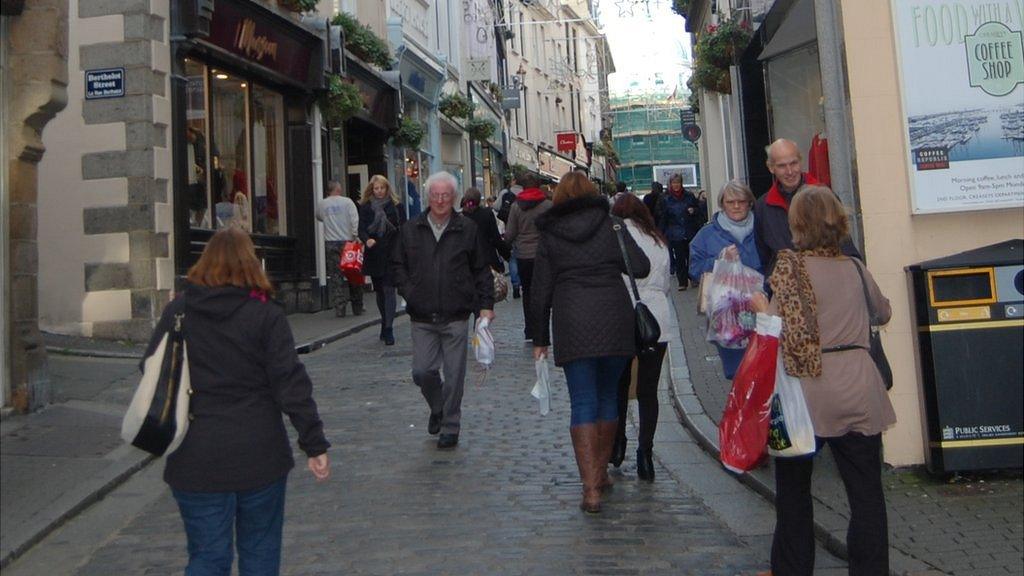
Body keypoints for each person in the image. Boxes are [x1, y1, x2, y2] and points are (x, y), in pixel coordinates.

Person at [143, 228, 330, 575]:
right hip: (258, 452)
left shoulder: (180, 311)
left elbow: (151, 368)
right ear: (252, 263)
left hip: (196, 451)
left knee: (207, 557)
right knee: (260, 551)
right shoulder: (265, 313)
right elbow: (290, 383)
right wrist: (314, 444)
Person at [749, 186, 894, 576]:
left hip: (806, 392)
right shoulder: (855, 267)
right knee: (865, 492)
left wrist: (761, 308)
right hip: (859, 387)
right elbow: (882, 312)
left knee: (794, 491)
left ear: (797, 225)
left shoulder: (792, 271)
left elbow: (774, 330)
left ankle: (793, 568)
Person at [530, 172, 650, 513]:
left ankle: (590, 490)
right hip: (614, 317)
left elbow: (540, 292)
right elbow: (639, 266)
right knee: (609, 397)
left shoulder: (551, 233)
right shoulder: (611, 224)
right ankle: (600, 475)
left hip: (572, 318)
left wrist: (540, 338)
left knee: (582, 400)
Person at [390, 171, 496, 450]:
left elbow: (481, 270)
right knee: (422, 371)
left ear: (454, 198)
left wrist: (485, 305)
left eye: (445, 195)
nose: (439, 200)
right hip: (422, 314)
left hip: (456, 313)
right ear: (428, 197)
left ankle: (450, 424)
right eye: (435, 195)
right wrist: (409, 291)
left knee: (454, 375)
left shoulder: (467, 229)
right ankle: (438, 407)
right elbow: (397, 265)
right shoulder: (411, 229)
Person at [609, 193, 671, 482]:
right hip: (657, 318)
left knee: (620, 385)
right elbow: (666, 283)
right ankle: (646, 454)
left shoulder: (617, 236)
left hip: (624, 315)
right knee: (648, 391)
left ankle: (618, 442)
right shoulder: (658, 240)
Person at [688, 180, 764, 379]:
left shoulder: (764, 229)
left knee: (765, 369)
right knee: (738, 373)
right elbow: (695, 269)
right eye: (731, 202)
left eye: (742, 201)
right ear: (722, 204)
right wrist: (718, 260)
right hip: (727, 318)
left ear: (750, 203)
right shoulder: (706, 235)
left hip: (764, 310)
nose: (737, 206)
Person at [755, 138, 859, 274]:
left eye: (794, 163)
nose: (790, 171)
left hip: (824, 282)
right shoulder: (763, 206)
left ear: (801, 161)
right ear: (771, 168)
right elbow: (764, 257)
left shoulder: (825, 197)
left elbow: (845, 245)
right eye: (782, 166)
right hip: (786, 288)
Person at [504, 173, 553, 342]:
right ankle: (543, 329)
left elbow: (510, 234)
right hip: (543, 255)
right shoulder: (547, 205)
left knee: (528, 293)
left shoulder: (516, 207)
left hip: (523, 255)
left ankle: (530, 329)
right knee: (544, 292)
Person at [358, 175, 405, 345]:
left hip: (392, 252)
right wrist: (366, 240)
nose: (379, 191)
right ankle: (384, 321)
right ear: (372, 189)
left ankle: (389, 328)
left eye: (382, 188)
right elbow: (361, 228)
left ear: (387, 188)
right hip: (375, 252)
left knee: (389, 289)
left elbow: (403, 228)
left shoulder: (396, 206)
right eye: (376, 188)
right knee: (379, 291)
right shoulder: (366, 207)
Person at [316, 181, 363, 317]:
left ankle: (340, 307)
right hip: (348, 242)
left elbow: (319, 216)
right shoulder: (347, 202)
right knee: (353, 273)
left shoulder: (323, 204)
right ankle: (357, 305)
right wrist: (355, 235)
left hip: (330, 242)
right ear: (338, 189)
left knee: (336, 276)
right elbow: (355, 219)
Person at [658, 174, 702, 290]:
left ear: (681, 183)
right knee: (680, 258)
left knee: (691, 256)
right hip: (675, 233)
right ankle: (682, 282)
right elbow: (663, 217)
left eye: (678, 182)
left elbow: (699, 210)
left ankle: (693, 278)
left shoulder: (689, 196)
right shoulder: (666, 199)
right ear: (670, 184)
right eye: (674, 183)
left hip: (690, 231)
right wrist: (661, 233)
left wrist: (694, 210)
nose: (676, 185)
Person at [461, 187, 511, 272]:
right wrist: (507, 255)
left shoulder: (460, 217)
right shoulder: (486, 214)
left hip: (466, 262)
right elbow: (496, 239)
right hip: (487, 260)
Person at [495, 176, 522, 298]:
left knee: (513, 259)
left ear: (514, 181)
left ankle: (515, 285)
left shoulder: (506, 193)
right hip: (524, 231)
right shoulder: (526, 193)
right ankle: (523, 282)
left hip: (510, 229)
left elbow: (496, 207)